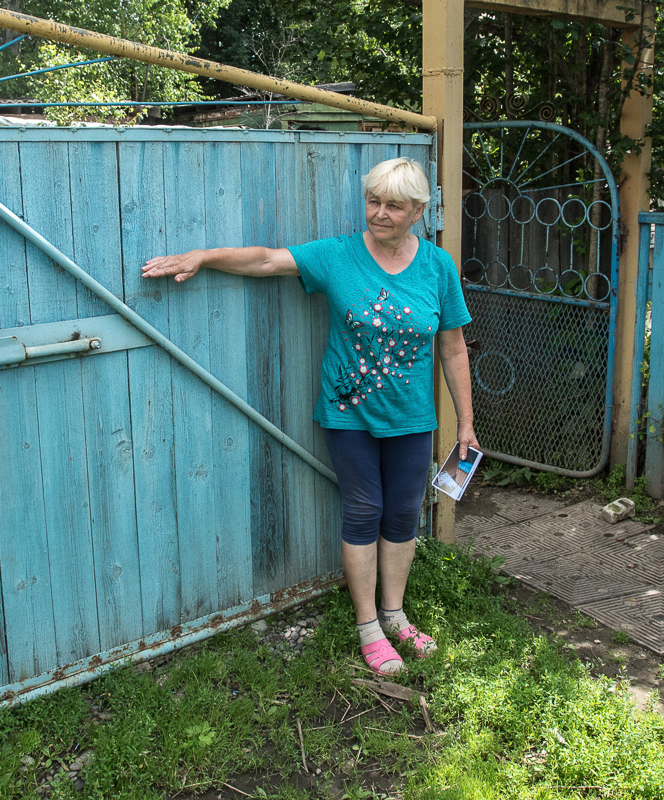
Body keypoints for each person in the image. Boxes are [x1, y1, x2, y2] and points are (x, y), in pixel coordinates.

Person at [142, 157, 477, 675]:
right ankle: (368, 624)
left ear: (418, 211)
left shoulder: (437, 267)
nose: (379, 213)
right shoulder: (339, 255)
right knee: (365, 509)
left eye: (393, 205)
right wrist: (204, 256)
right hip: (349, 415)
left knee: (404, 514)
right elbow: (266, 261)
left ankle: (395, 614)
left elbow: (453, 349)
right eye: (372, 201)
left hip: (412, 417)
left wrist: (467, 423)